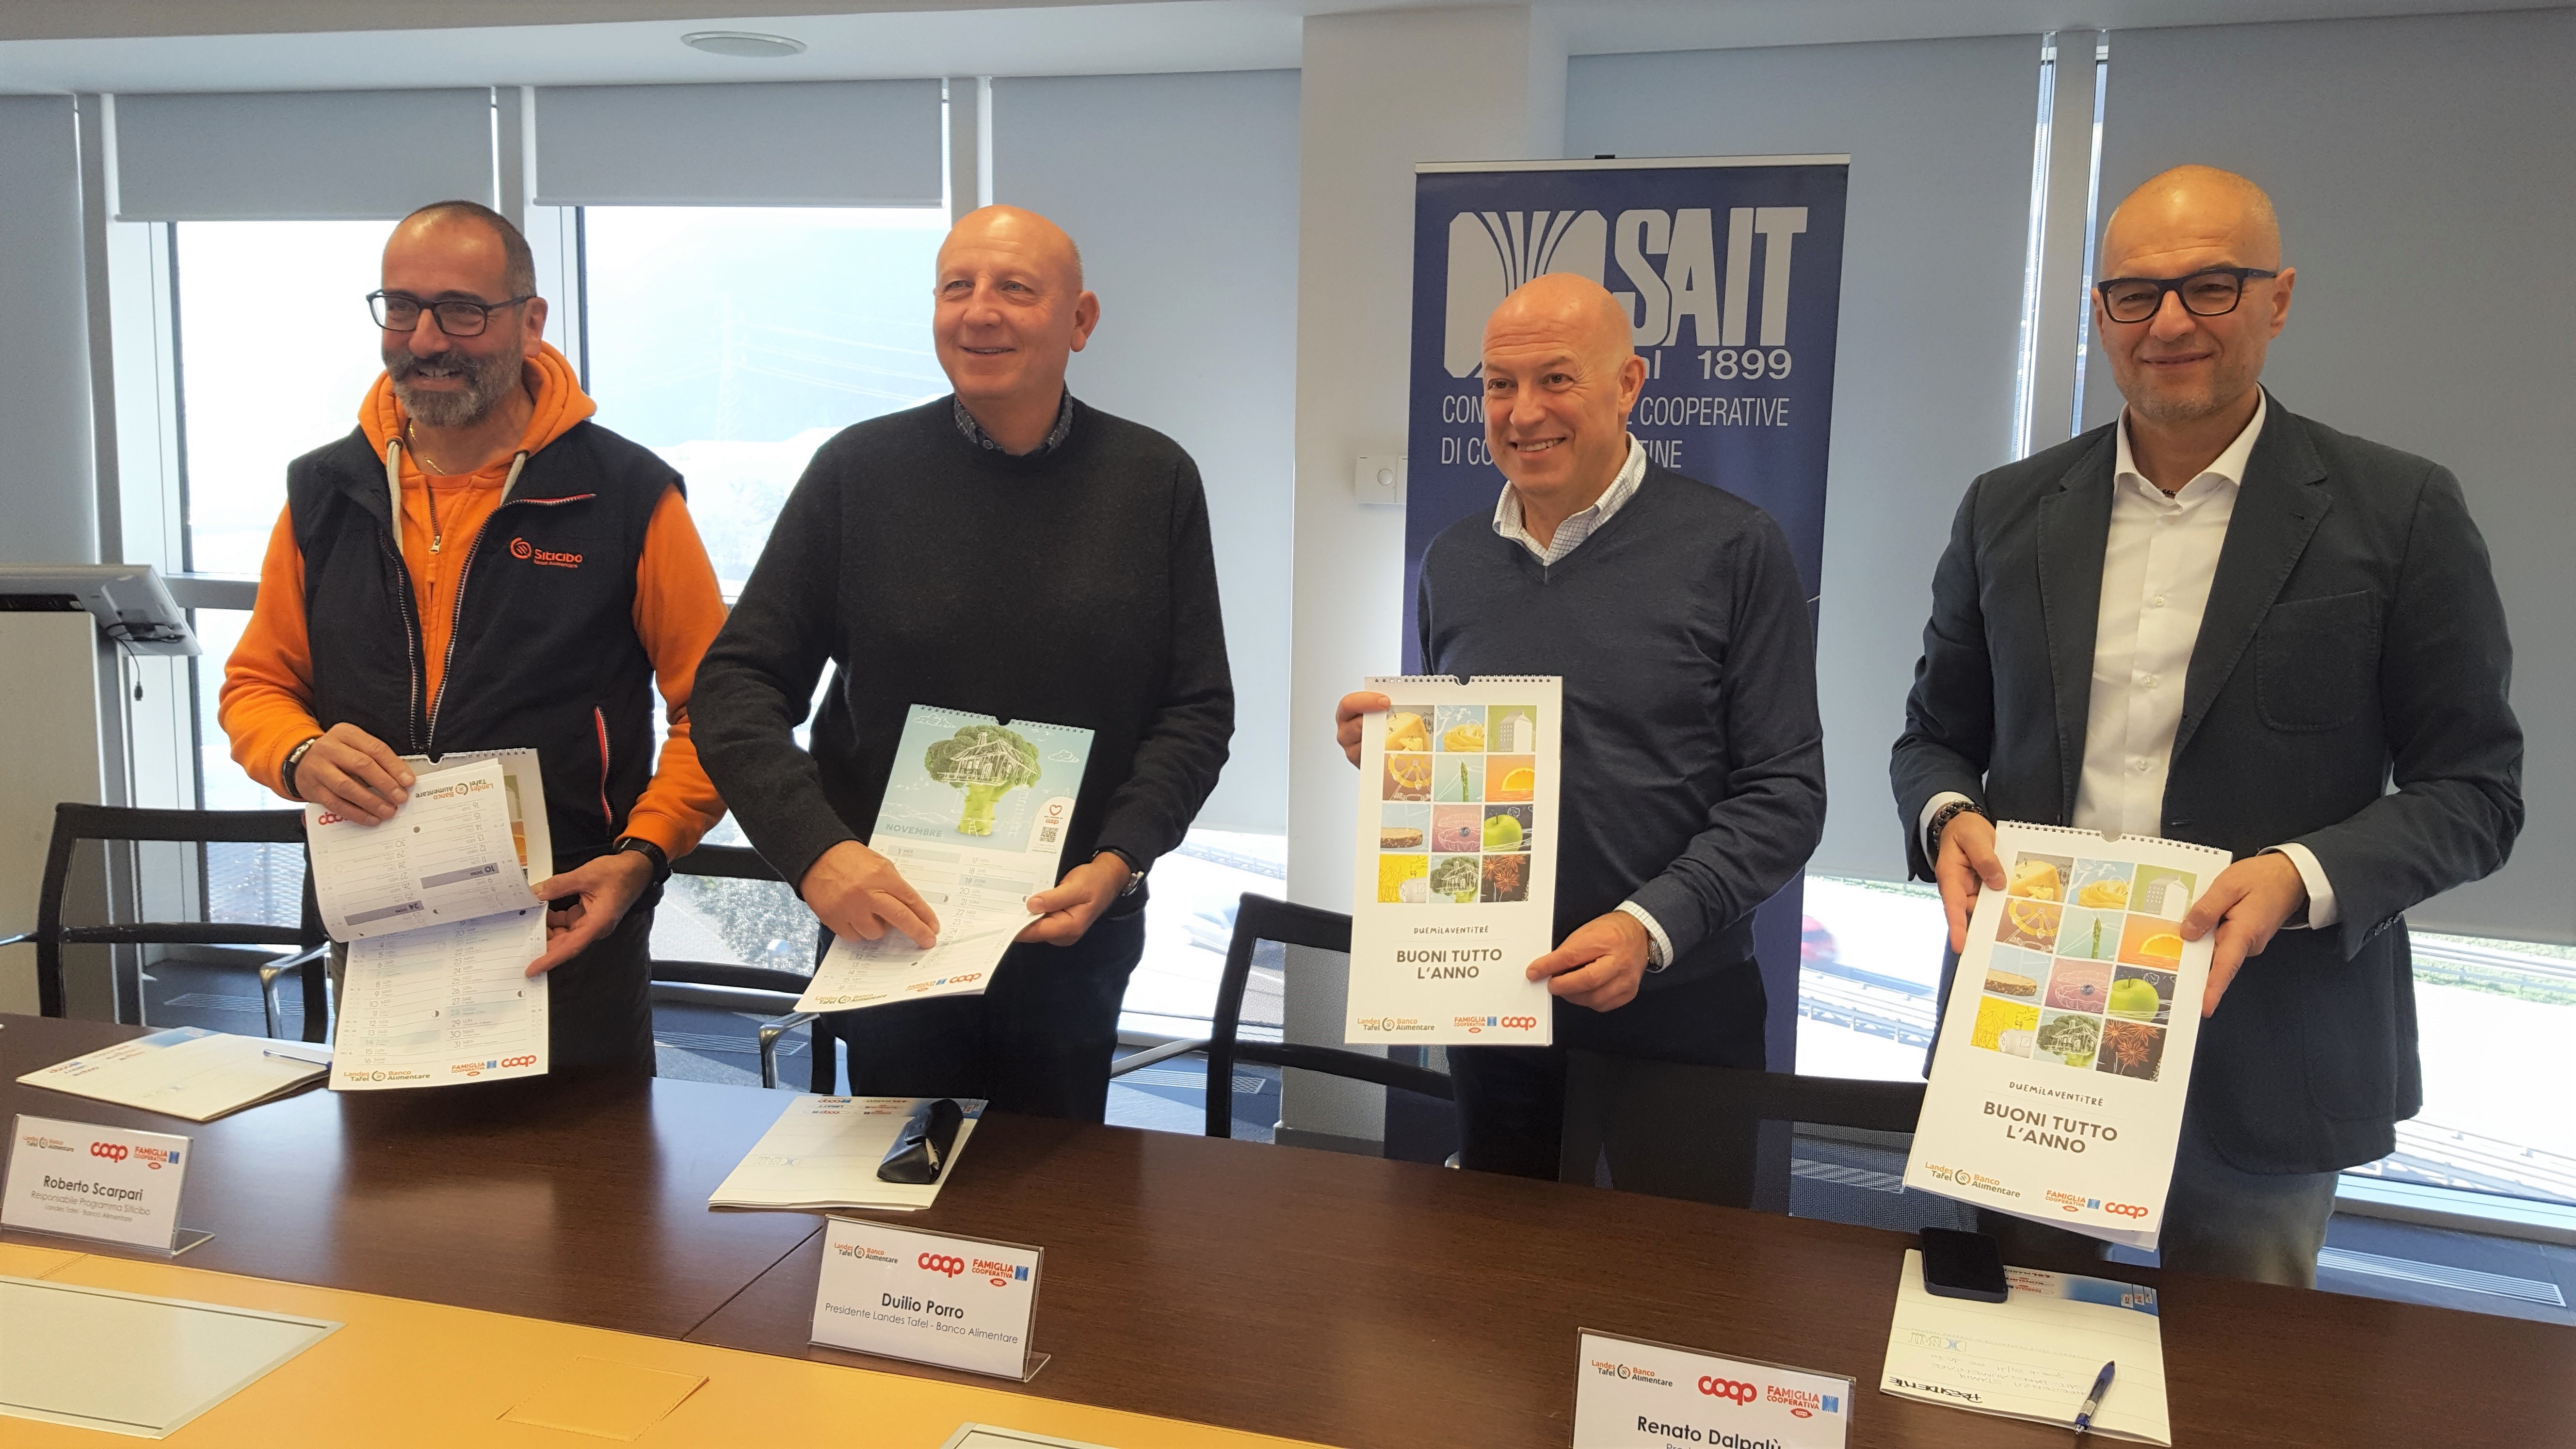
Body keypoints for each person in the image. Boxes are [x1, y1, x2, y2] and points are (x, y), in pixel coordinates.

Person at [1892, 166, 2522, 1286]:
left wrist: (2300, 875)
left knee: (2242, 1369)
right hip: (2033, 1035)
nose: (2170, 322)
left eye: (2210, 287)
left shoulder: (2399, 512)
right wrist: (1947, 817)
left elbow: (2475, 790)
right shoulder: (2005, 509)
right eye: (2135, 294)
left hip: (2272, 1038)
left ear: (2277, 299)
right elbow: (1935, 735)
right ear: (2100, 315)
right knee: (2009, 1344)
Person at [692, 205, 1233, 1123]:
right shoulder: (858, 472)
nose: (980, 311)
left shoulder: (1154, 480)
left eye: (1015, 288)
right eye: (957, 287)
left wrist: (1122, 858)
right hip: (890, 923)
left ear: (1080, 320)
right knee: (897, 1179)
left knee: (1055, 1184)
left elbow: (1196, 709)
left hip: (1071, 928)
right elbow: (736, 685)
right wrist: (816, 852)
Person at [221, 199, 729, 1074]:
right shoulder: (325, 494)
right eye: (403, 307)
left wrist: (642, 856)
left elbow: (719, 714)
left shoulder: (627, 495)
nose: (425, 339)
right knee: (384, 1164)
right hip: (377, 924)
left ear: (530, 322)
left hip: (569, 924)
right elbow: (257, 687)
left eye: (462, 311)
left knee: (587, 1167)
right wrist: (297, 755)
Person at [1336, 274, 1826, 1180]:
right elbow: (1481, 778)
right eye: (1499, 385)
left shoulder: (1733, 548)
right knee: (1505, 1252)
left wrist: (1647, 927)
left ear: (1628, 384)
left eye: (1556, 379)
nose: (1523, 413)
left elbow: (1785, 793)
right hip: (1497, 998)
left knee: (1677, 1261)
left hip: (1683, 1000)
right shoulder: (1454, 561)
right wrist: (1404, 760)